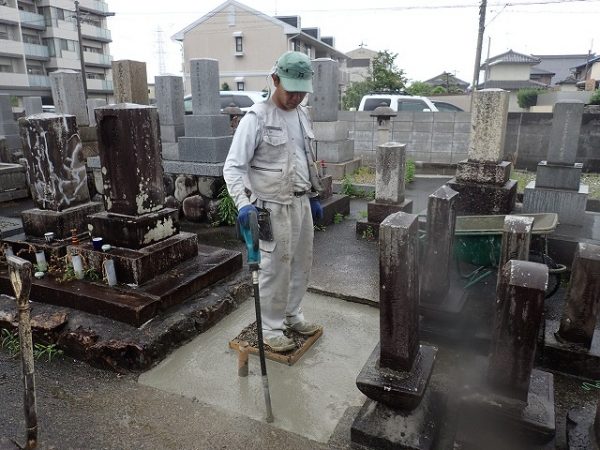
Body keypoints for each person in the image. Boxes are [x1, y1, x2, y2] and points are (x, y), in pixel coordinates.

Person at [223, 51, 324, 353]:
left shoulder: (302, 114)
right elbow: (233, 166)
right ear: (275, 80)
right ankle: (270, 327)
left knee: (301, 264)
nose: (296, 97)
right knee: (274, 269)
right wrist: (242, 203)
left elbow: (306, 158)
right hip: (269, 207)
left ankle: (292, 315)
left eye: (301, 92)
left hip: (301, 202)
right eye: (291, 90)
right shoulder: (256, 117)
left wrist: (315, 196)